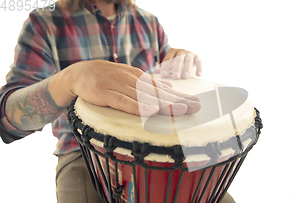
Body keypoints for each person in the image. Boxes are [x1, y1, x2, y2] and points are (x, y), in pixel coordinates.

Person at [0, 0, 236, 202]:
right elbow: (7, 120)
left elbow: (166, 73)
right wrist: (71, 78)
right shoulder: (44, 23)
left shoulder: (149, 23)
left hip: (159, 148)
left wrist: (177, 58)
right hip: (82, 151)